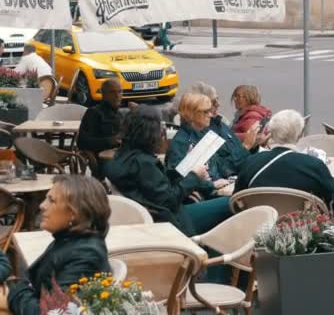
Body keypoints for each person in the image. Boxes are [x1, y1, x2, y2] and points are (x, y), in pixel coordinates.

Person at [104, 105, 231, 236]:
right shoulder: (143, 163)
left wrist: (187, 164)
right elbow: (169, 200)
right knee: (232, 202)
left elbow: (158, 185)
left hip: (162, 216)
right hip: (172, 222)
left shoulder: (122, 156)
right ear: (150, 133)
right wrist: (194, 176)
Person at [0, 175, 111, 314]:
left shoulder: (85, 254)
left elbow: (51, 311)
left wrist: (12, 295)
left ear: (74, 213)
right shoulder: (69, 240)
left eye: (51, 201)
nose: (41, 206)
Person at [234, 109, 334, 210]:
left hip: (259, 224)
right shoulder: (315, 166)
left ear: (271, 134)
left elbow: (237, 200)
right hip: (304, 225)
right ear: (300, 135)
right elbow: (333, 204)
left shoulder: (251, 162)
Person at [165, 93, 232, 196]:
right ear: (191, 114)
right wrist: (211, 185)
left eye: (210, 110)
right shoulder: (181, 142)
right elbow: (178, 180)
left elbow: (217, 165)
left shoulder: (202, 134)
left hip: (215, 186)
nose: (210, 115)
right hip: (197, 196)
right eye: (205, 111)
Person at [77, 79, 123, 179]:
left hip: (121, 156)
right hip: (104, 160)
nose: (117, 96)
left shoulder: (120, 115)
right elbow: (82, 142)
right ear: (104, 95)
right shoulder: (94, 113)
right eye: (112, 92)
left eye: (120, 92)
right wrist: (111, 141)